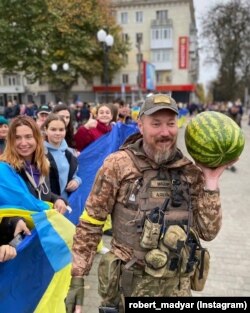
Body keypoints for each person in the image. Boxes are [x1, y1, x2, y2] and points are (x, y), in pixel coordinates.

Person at [65, 93, 237, 313]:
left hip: (176, 289)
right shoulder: (117, 165)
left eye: (171, 124)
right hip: (128, 290)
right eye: (156, 124)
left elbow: (208, 232)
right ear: (140, 125)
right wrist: (77, 279)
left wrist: (211, 182)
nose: (165, 132)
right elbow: (91, 222)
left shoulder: (189, 171)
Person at [0, 115, 68, 214]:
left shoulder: (44, 162)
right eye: (17, 138)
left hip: (43, 226)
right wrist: (13, 222)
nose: (23, 143)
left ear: (37, 138)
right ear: (11, 141)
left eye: (28, 136)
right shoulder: (5, 168)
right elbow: (7, 205)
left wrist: (57, 199)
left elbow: (42, 194)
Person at [42, 113, 82, 200]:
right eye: (53, 129)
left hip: (66, 202)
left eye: (61, 130)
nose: (57, 133)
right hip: (48, 203)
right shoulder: (39, 152)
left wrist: (76, 181)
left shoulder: (70, 152)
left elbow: (75, 174)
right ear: (46, 130)